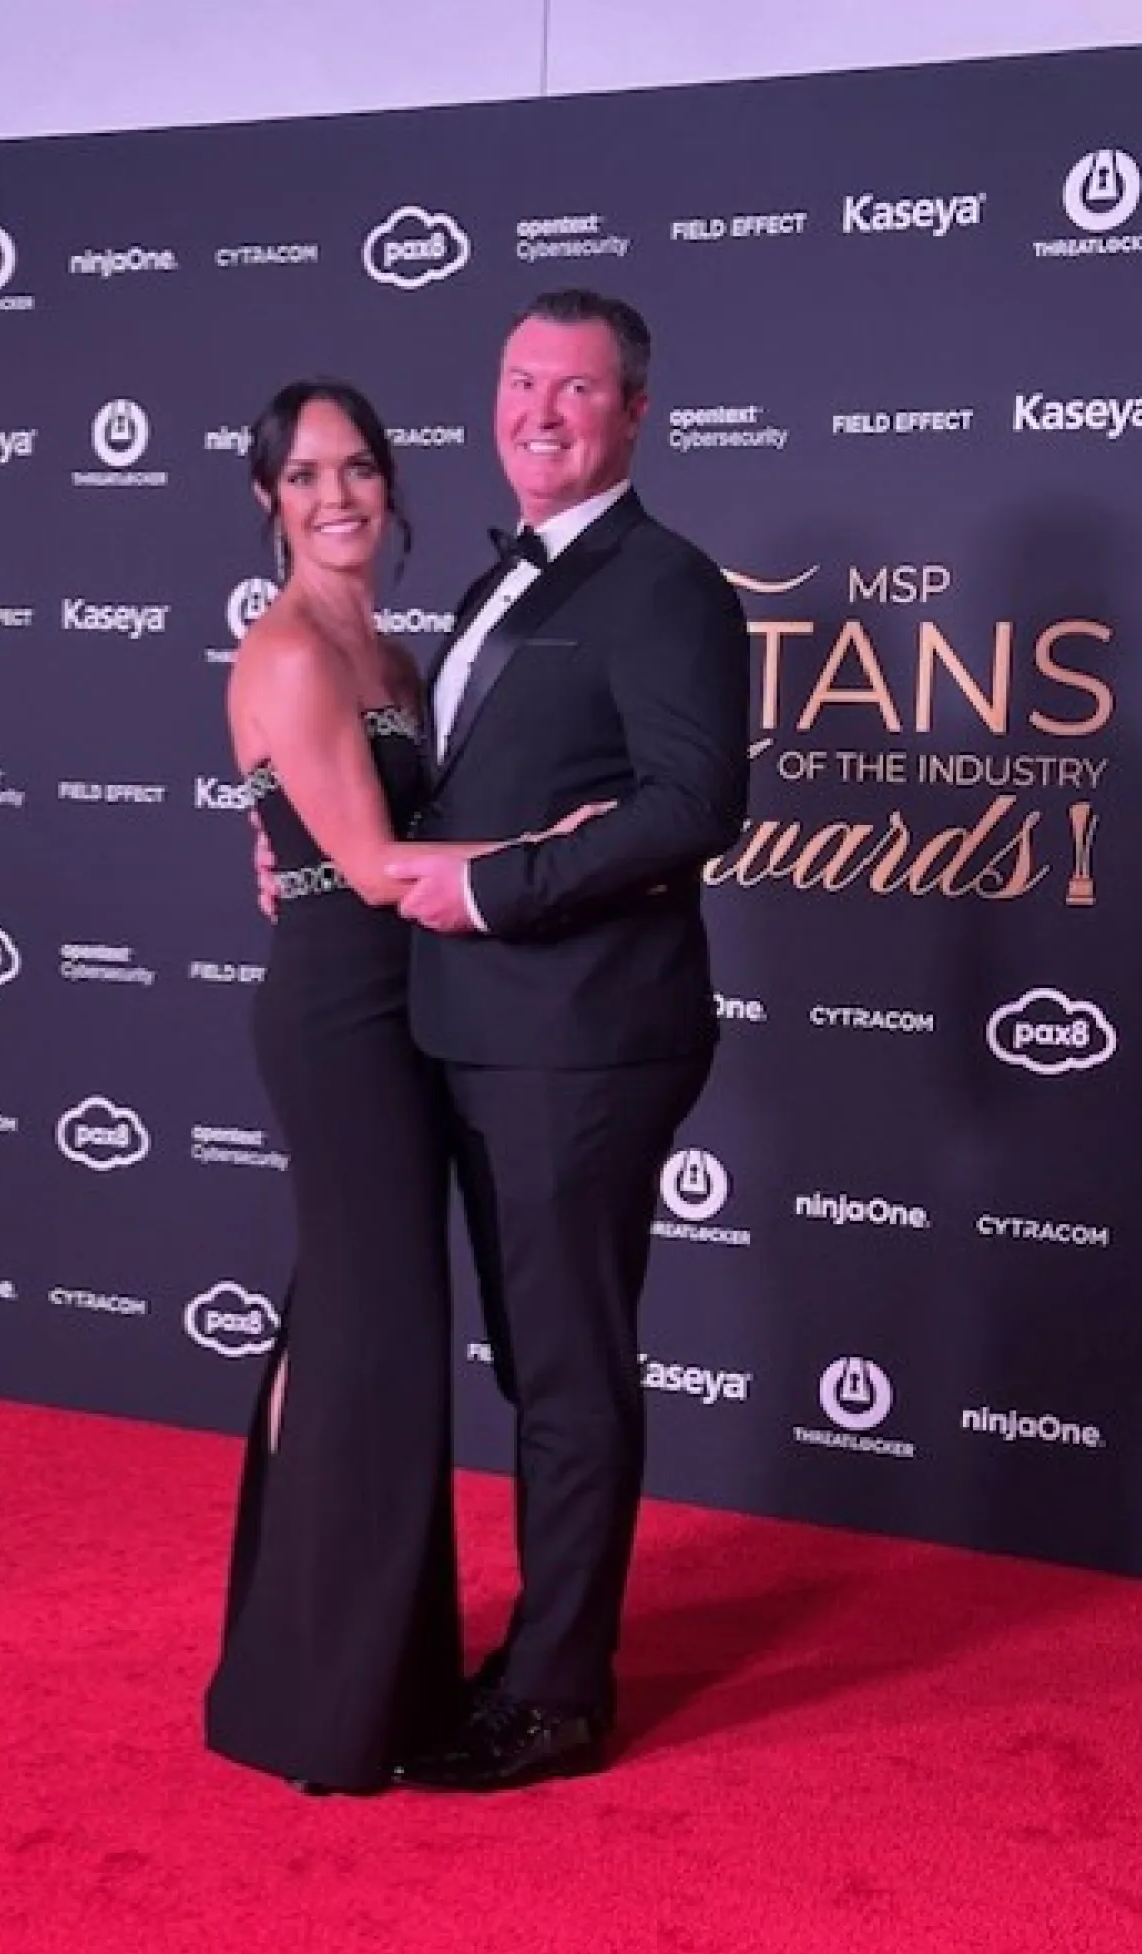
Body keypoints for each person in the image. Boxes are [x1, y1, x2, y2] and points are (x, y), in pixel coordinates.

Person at [203, 381, 599, 1795]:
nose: (339, 497)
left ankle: (330, 1664)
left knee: (359, 1326)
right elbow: (371, 869)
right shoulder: (291, 650)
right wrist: (569, 845)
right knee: (369, 1335)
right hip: (340, 1016)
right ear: (268, 499)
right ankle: (328, 1700)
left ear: (390, 483)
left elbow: (369, 831)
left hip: (409, 1003)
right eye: (307, 475)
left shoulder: (391, 650)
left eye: (359, 468)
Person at [381, 288, 752, 1791]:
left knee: (569, 1370)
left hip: (583, 1038)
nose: (539, 411)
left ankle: (558, 1697)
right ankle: (543, 1649)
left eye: (577, 388)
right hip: (480, 1031)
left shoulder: (665, 583)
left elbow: (693, 805)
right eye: (520, 380)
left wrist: (495, 888)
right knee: (539, 1367)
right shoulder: (501, 580)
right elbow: (467, 790)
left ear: (636, 412)